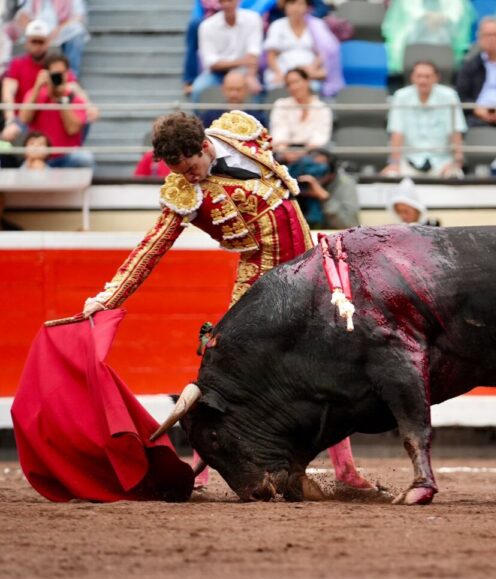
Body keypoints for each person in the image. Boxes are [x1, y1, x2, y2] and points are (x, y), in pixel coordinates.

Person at [80, 110, 371, 491]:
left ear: (205, 146)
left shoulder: (240, 132)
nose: (189, 177)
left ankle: (346, 473)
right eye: (180, 172)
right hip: (260, 280)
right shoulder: (184, 194)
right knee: (231, 372)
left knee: (328, 359)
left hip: (308, 264)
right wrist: (108, 297)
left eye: (191, 167)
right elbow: (151, 248)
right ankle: (198, 474)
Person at [382, 61, 466, 178]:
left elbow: (455, 131)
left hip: (442, 163)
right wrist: (395, 163)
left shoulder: (449, 96)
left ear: (436, 78)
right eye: (419, 76)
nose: (423, 81)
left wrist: (456, 163)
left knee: (455, 176)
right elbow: (396, 132)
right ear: (412, 78)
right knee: (390, 176)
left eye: (427, 76)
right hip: (408, 162)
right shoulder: (400, 96)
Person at [18, 53, 94, 168]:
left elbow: (72, 129)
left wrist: (61, 98)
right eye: (55, 73)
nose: (59, 76)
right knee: (31, 166)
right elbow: (23, 118)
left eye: (63, 72)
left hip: (66, 158)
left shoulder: (76, 98)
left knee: (84, 158)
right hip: (40, 158)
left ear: (68, 74)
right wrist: (37, 86)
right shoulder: (35, 94)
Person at [262, 0, 344, 97]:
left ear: (307, 7)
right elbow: (271, 54)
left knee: (316, 82)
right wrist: (279, 73)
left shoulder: (318, 25)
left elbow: (326, 52)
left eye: (300, 4)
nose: (296, 8)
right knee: (275, 85)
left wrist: (312, 68)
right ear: (285, 6)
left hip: (309, 73)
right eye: (292, 4)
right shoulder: (277, 25)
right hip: (282, 72)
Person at [191, 0, 263, 103]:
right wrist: (242, 62)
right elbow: (212, 63)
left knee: (255, 88)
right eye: (222, 1)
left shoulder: (253, 19)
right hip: (217, 74)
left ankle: (256, 118)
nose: (226, 4)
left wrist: (250, 76)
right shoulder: (207, 25)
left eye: (229, 1)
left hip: (245, 72)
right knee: (198, 89)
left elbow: (254, 54)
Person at [381, 0, 476, 74]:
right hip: (411, 42)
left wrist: (442, 18)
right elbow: (408, 13)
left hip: (447, 42)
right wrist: (426, 16)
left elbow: (456, 16)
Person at [269, 68, 332, 164]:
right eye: (289, 84)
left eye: (296, 82)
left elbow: (320, 137)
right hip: (285, 152)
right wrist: (286, 152)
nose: (293, 87)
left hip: (313, 152)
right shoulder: (281, 104)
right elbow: (279, 132)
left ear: (307, 81)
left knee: (320, 160)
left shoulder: (322, 108)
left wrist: (304, 153)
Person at [13, 0, 89, 75]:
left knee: (77, 31)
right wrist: (32, 28)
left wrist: (59, 28)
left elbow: (79, 17)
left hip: (62, 32)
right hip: (36, 31)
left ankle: (70, 75)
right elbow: (23, 14)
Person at [293, 148, 360, 229]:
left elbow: (349, 225)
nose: (312, 175)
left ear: (332, 173)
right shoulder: (296, 181)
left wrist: (324, 197)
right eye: (308, 167)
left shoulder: (345, 183)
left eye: (320, 169)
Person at [198, 70, 267, 128]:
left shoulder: (256, 118)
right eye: (230, 89)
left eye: (238, 89)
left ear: (246, 90)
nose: (234, 94)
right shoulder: (209, 116)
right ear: (223, 89)